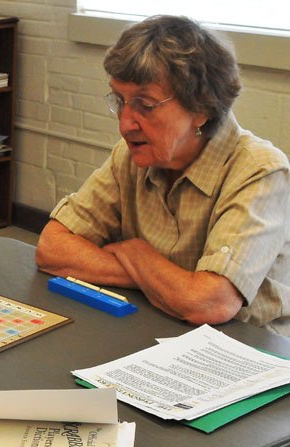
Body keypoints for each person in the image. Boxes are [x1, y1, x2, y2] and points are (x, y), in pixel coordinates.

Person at [36, 15, 290, 336]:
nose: (126, 123)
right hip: (157, 326)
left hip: (251, 349)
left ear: (201, 108)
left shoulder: (260, 170)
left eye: (145, 105)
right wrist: (160, 280)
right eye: (120, 101)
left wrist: (136, 252)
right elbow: (52, 247)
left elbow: (210, 303)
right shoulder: (131, 155)